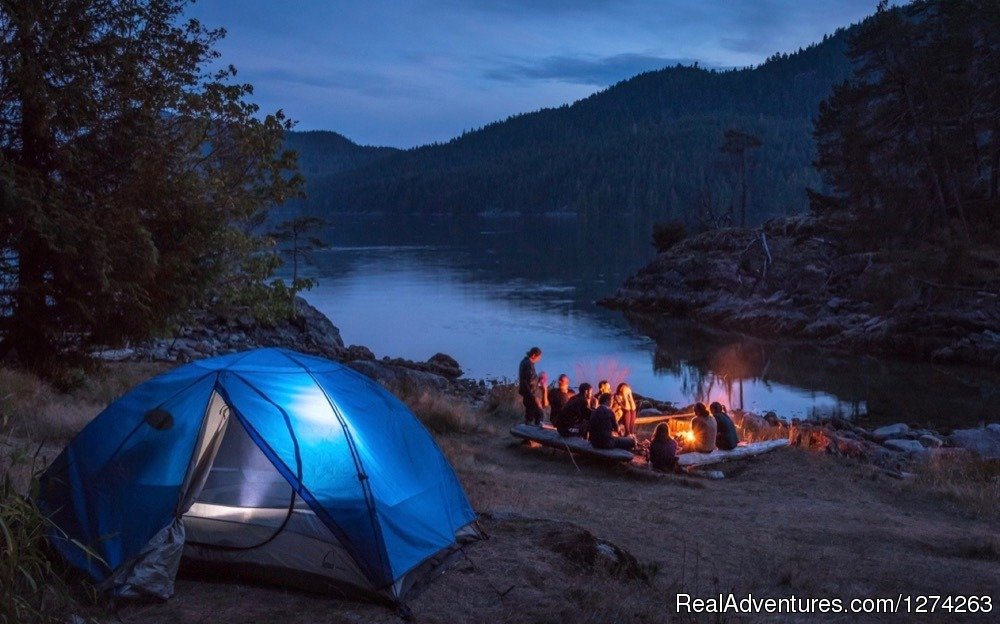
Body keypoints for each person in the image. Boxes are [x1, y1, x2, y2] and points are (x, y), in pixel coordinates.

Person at [518, 347, 544, 426]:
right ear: (533, 355)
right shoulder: (529, 365)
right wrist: (535, 398)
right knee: (539, 415)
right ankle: (533, 435)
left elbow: (527, 379)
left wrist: (538, 379)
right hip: (531, 396)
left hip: (527, 394)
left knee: (529, 415)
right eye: (539, 357)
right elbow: (530, 383)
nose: (539, 359)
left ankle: (528, 435)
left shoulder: (524, 362)